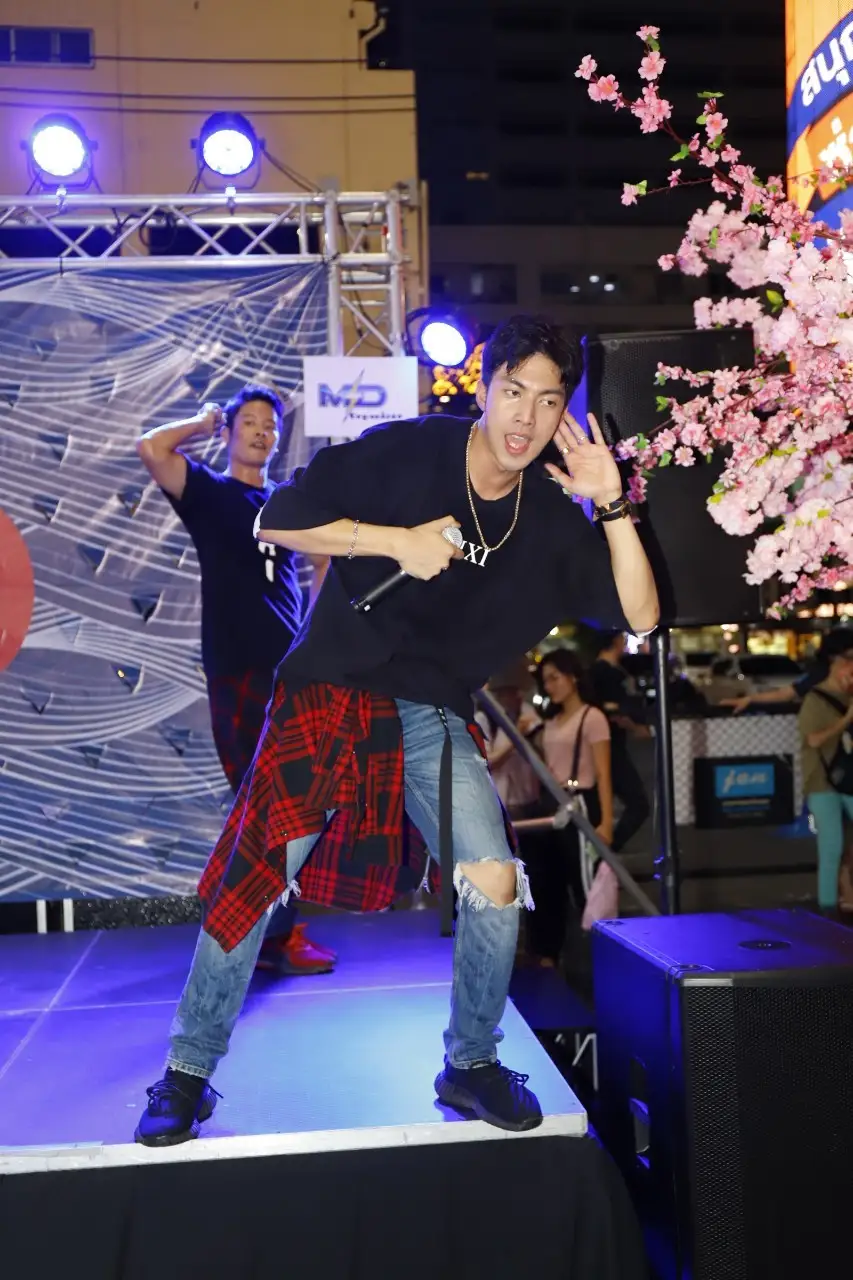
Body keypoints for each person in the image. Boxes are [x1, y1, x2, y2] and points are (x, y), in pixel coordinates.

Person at [134, 313, 659, 1146]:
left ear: (563, 412)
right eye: (514, 391)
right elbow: (276, 519)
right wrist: (393, 542)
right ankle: (186, 1072)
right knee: (256, 878)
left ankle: (471, 1061)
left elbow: (642, 614)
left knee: (493, 879)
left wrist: (614, 503)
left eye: (547, 401)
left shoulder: (552, 517)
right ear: (484, 389)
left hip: (430, 710)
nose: (526, 417)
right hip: (331, 686)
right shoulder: (410, 450)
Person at [136, 385, 336, 978]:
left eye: (269, 425)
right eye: (248, 422)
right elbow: (152, 448)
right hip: (237, 670)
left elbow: (322, 562)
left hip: (290, 672)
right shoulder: (210, 492)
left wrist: (313, 632)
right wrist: (202, 422)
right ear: (230, 433)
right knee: (259, 803)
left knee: (294, 800)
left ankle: (264, 932)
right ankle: (256, 932)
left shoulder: (284, 502)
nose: (260, 431)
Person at [524, 649, 613, 967]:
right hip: (551, 804)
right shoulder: (550, 722)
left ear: (573, 677)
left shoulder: (592, 717)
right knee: (547, 881)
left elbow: (603, 772)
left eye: (555, 678)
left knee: (584, 884)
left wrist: (606, 822)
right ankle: (548, 954)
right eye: (545, 681)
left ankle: (600, 954)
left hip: (580, 803)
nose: (550, 686)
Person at [797, 631, 853, 913]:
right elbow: (813, 740)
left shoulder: (848, 696)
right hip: (821, 780)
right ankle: (828, 907)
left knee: (836, 847)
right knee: (831, 847)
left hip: (849, 778)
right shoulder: (816, 699)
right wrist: (846, 720)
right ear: (838, 667)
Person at [589, 631, 651, 853]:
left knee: (618, 803)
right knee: (637, 804)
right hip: (609, 745)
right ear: (615, 640)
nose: (625, 641)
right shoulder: (602, 672)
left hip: (616, 744)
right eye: (623, 637)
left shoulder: (616, 670)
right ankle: (607, 850)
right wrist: (634, 726)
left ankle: (603, 851)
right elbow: (611, 710)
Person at [722, 628, 853, 714]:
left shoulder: (819, 674)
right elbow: (786, 694)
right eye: (848, 657)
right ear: (832, 657)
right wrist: (750, 699)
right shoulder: (820, 674)